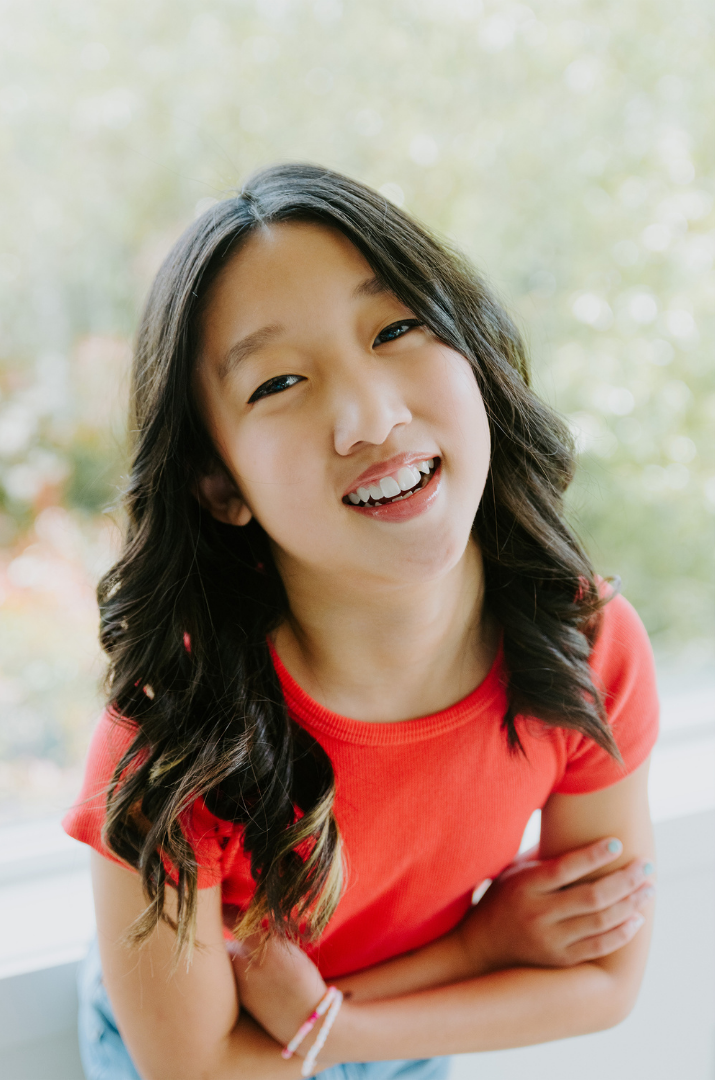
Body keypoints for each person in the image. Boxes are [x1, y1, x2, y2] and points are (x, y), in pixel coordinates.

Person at [63, 163, 659, 1080]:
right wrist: (476, 951)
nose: (369, 416)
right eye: (279, 382)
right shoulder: (175, 734)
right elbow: (201, 1068)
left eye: (396, 328)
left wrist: (342, 1030)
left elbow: (604, 981)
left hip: (395, 1033)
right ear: (221, 485)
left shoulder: (584, 644)